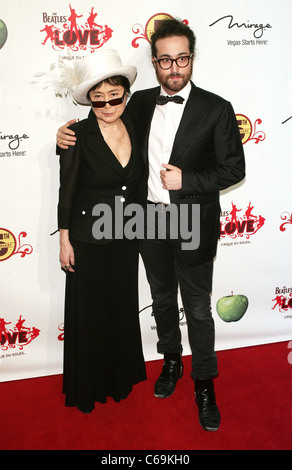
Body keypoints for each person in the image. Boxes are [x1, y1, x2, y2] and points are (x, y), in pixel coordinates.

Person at [57, 19, 245, 430]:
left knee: (196, 307)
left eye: (182, 58)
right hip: (148, 220)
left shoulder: (217, 108)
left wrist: (188, 181)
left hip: (192, 220)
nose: (174, 67)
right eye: (165, 59)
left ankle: (204, 383)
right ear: (155, 62)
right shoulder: (138, 103)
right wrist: (63, 136)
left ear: (191, 59)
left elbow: (234, 169)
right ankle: (172, 363)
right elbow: (101, 121)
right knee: (162, 300)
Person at [56, 49, 146, 413]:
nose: (108, 107)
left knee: (120, 309)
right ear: (89, 101)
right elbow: (67, 189)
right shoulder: (77, 134)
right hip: (87, 241)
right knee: (90, 314)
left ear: (126, 94)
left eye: (115, 98)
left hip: (127, 238)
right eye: (99, 102)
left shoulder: (137, 123)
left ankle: (118, 379)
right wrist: (64, 239)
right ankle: (88, 387)